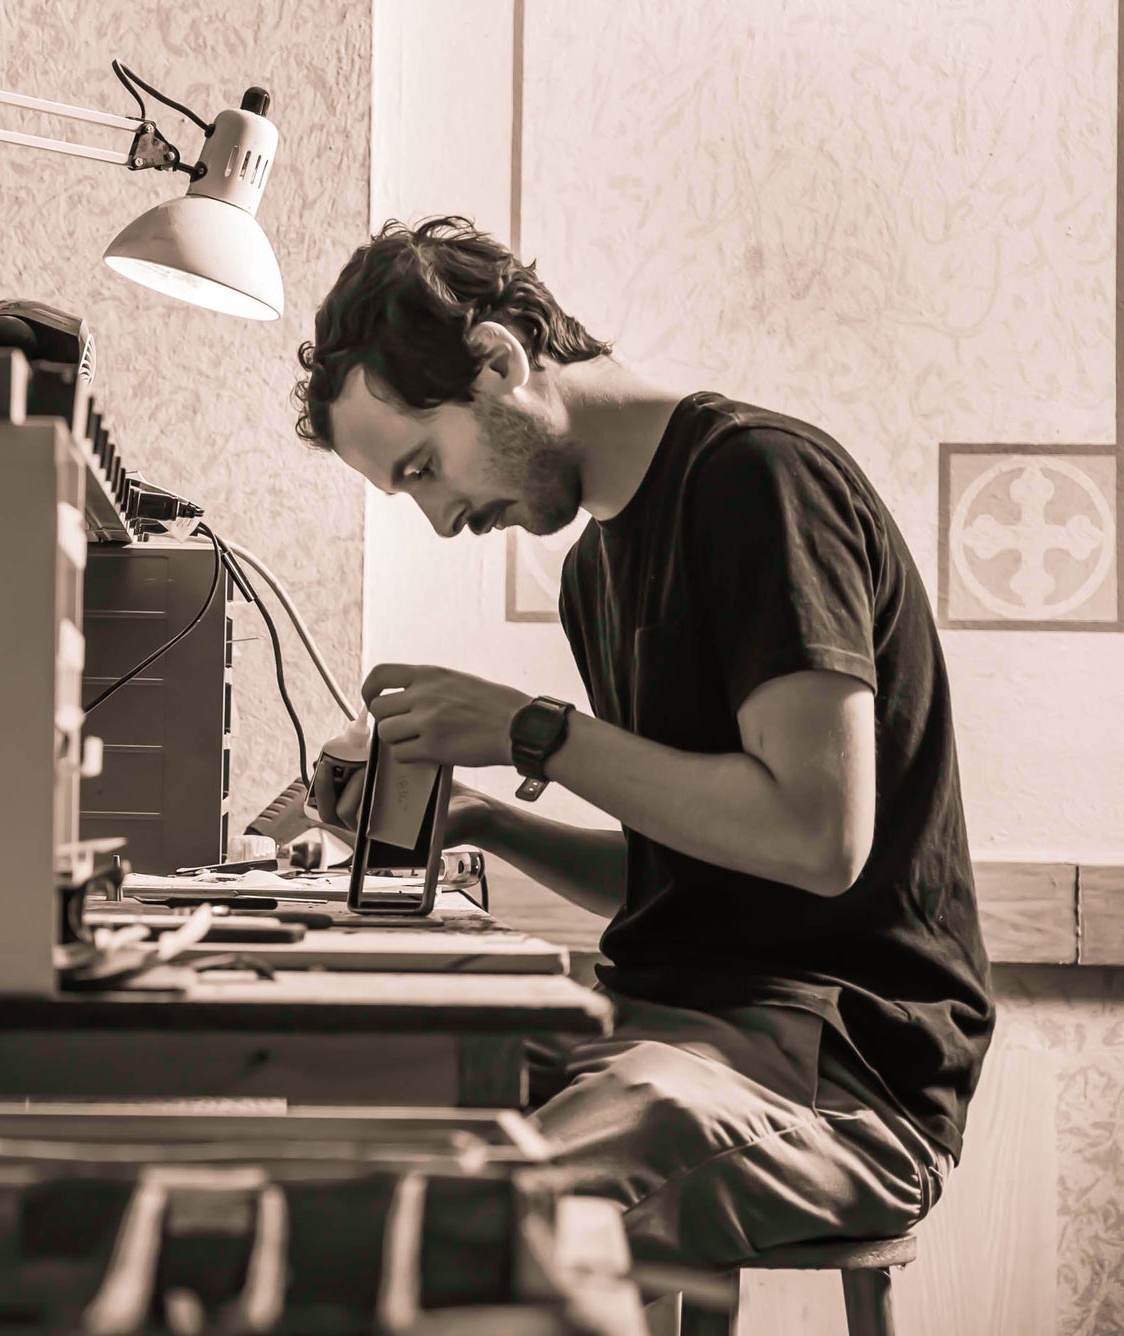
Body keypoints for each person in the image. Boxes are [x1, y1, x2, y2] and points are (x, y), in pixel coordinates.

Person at [293, 216, 993, 1265]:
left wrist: (529, 731)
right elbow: (695, 866)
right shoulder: (593, 572)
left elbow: (813, 837)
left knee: (469, 1230)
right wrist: (476, 819)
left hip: (836, 1060)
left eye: (424, 468)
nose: (438, 521)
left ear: (497, 362)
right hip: (661, 1023)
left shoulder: (758, 480)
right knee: (348, 1123)